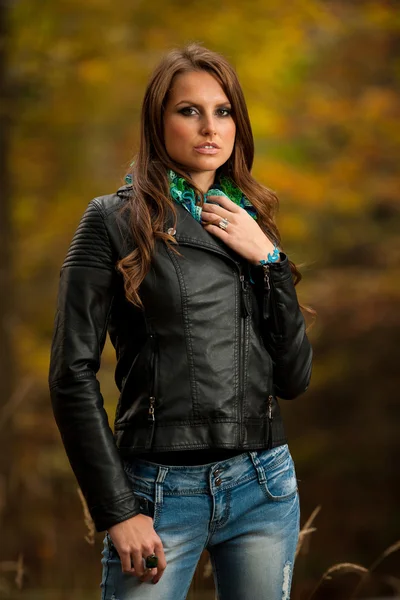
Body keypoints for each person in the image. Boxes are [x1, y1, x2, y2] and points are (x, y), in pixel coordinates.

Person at [48, 42, 313, 600]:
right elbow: (70, 373)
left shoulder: (250, 220)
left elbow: (293, 379)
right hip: (158, 494)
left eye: (223, 111)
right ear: (157, 121)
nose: (209, 127)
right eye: (188, 110)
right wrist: (118, 510)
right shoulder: (111, 220)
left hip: (263, 484)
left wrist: (271, 263)